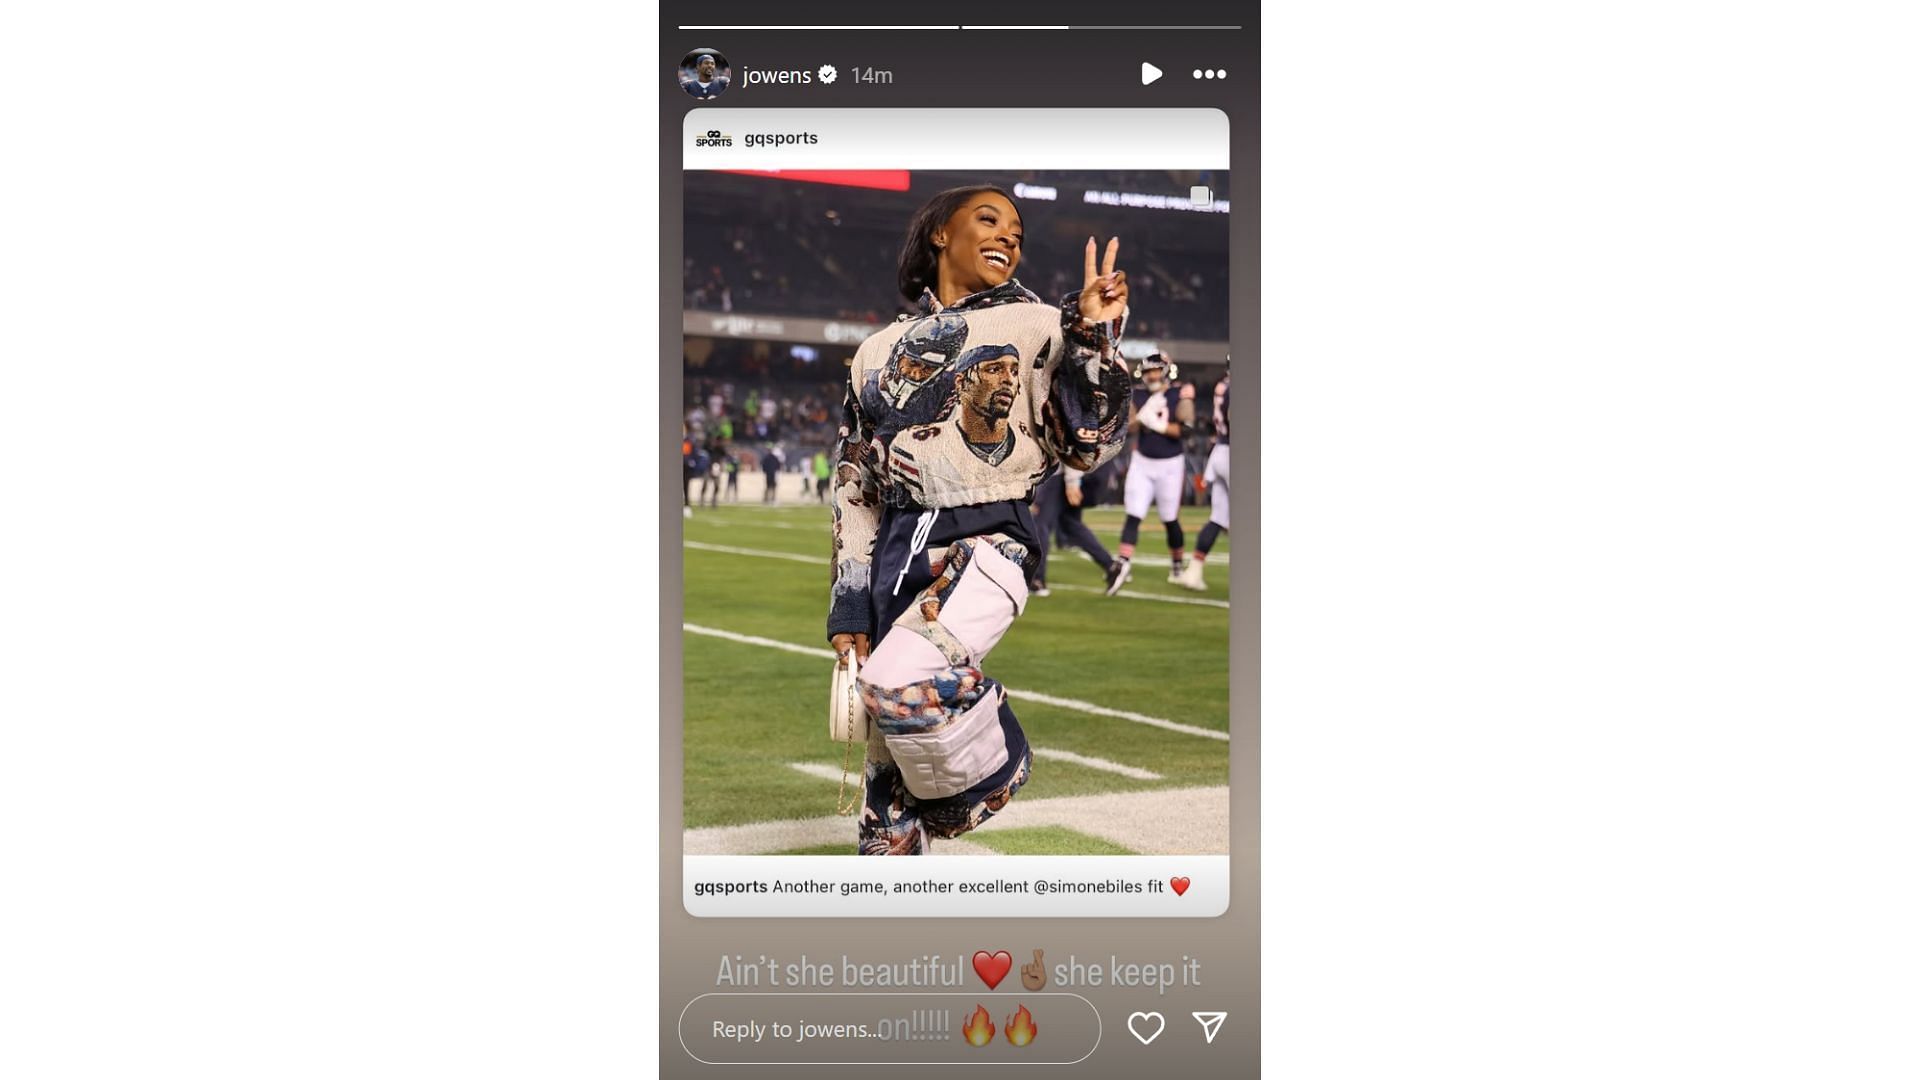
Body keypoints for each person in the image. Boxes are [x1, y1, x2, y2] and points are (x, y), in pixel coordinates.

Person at [828, 185, 1132, 855]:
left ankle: (996, 770)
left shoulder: (1041, 323)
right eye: (988, 219)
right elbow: (855, 486)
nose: (1009, 236)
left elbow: (1088, 443)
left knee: (897, 683)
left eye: (1017, 229)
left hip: (990, 541)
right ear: (939, 233)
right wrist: (849, 607)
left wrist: (1095, 338)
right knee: (888, 799)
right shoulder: (874, 352)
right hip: (893, 557)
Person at [1106, 352, 1194, 594]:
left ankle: (1177, 566)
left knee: (1169, 518)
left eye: (1155, 371)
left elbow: (1186, 429)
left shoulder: (1180, 392)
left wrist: (1158, 425)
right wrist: (1142, 420)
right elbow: (1128, 426)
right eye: (1147, 372)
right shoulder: (1139, 394)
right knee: (1133, 513)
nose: (1152, 375)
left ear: (1165, 370)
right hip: (1143, 461)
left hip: (1170, 464)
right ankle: (1123, 563)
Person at [1176, 369, 1229, 591]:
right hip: (1235, 451)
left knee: (1218, 518)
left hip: (1221, 452)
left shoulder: (1224, 384)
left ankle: (1193, 572)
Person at [1030, 465, 1118, 596]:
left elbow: (1068, 446)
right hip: (1065, 474)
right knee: (1069, 524)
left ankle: (1037, 580)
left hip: (1058, 473)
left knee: (1040, 523)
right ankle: (1111, 567)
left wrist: (1072, 481)